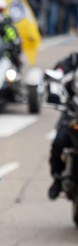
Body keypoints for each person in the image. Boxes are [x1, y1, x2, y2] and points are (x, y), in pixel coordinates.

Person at [48, 53, 78, 199]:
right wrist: (54, 93)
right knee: (59, 142)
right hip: (74, 114)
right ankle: (57, 179)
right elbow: (58, 73)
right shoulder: (74, 59)